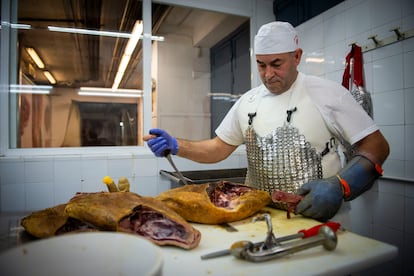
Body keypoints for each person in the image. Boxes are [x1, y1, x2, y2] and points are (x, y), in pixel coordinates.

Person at [143, 21, 389, 223]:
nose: (268, 74)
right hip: (262, 218)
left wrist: (340, 185)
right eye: (261, 65)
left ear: (297, 56)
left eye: (276, 64)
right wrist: (177, 145)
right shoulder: (248, 101)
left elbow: (377, 146)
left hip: (318, 220)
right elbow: (218, 148)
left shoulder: (328, 94)